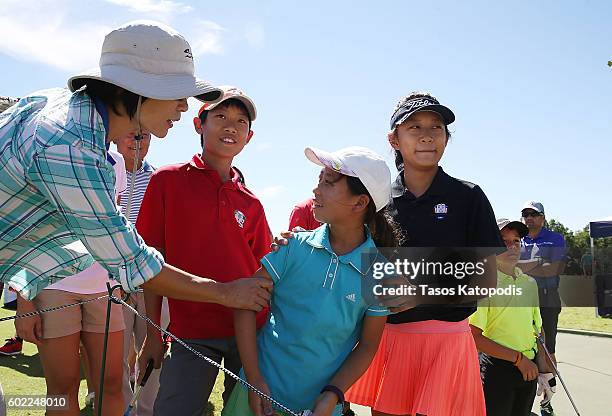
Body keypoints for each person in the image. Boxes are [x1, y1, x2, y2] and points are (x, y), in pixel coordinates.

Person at [0, 21, 272, 346]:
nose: (184, 106)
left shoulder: (64, 109)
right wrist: (225, 293)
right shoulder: (72, 148)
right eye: (177, 93)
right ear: (137, 88)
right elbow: (132, 261)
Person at [346, 92, 502, 416]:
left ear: (446, 137)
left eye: (437, 126)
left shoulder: (468, 196)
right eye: (414, 126)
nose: (427, 135)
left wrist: (422, 293)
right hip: (389, 338)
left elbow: (486, 280)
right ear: (394, 139)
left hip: (448, 343)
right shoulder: (378, 199)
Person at [222, 146, 398, 416]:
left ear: (360, 203)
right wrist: (254, 379)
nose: (316, 190)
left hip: (320, 408)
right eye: (319, 181)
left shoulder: (379, 272)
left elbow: (367, 346)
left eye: (328, 183)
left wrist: (333, 394)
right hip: (255, 399)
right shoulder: (293, 246)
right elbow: (245, 304)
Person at [135, 86, 273, 415]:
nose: (231, 126)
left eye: (241, 121)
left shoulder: (251, 203)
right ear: (200, 125)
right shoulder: (167, 181)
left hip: (250, 335)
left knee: (247, 410)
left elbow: (264, 272)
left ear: (249, 137)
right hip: (191, 333)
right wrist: (153, 334)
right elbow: (150, 265)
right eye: (221, 117)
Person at [14, 149, 128, 415]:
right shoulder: (44, 148)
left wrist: (121, 274)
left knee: (111, 385)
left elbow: (114, 222)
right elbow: (26, 223)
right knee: (61, 390)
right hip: (51, 286)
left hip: (105, 288)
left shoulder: (116, 159)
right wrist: (23, 299)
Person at [114, 131, 169, 416]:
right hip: (113, 286)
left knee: (152, 357)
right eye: (131, 135)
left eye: (144, 136)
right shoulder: (103, 173)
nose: (138, 142)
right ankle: (123, 409)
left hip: (152, 283)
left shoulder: (159, 179)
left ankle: (146, 411)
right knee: (116, 359)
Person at [469, 219, 543, 416]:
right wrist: (518, 360)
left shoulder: (530, 283)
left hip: (529, 368)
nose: (511, 247)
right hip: (498, 369)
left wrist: (544, 369)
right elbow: (474, 337)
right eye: (504, 241)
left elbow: (537, 329)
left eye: (516, 241)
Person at [517, 201, 565, 416]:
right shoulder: (518, 240)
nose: (529, 218)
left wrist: (523, 264)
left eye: (534, 214)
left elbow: (552, 269)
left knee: (547, 351)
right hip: (521, 301)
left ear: (542, 217)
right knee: (522, 348)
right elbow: (509, 266)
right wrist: (538, 262)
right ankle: (522, 400)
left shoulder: (555, 238)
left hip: (547, 300)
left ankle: (547, 400)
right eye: (525, 214)